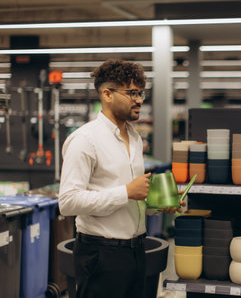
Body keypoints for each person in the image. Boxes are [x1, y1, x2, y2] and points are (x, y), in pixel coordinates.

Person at [59, 59, 183, 298]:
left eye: (141, 93)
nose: (139, 100)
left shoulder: (135, 138)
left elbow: (131, 200)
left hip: (136, 251)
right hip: (100, 255)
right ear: (107, 94)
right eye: (132, 93)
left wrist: (157, 205)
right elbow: (68, 202)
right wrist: (126, 192)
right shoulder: (85, 140)